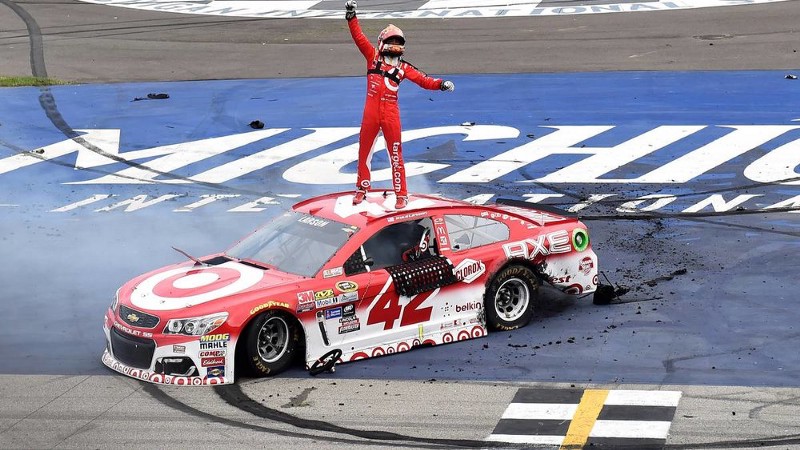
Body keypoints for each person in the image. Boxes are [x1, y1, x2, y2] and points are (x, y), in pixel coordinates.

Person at [345, 0, 455, 209]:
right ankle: (361, 189)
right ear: (382, 42)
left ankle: (401, 194)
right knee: (364, 151)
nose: (395, 44)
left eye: (398, 41)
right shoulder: (372, 57)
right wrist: (351, 16)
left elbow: (424, 80)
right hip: (370, 114)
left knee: (396, 155)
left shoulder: (404, 68)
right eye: (391, 40)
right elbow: (358, 37)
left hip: (391, 116)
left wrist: (441, 84)